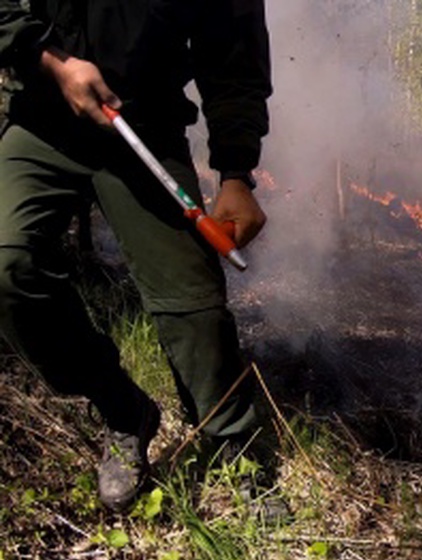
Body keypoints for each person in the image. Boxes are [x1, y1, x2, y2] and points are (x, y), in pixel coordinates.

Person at [0, 1, 272, 512]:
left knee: (192, 300)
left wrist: (236, 172)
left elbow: (233, 51)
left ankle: (236, 448)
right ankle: (124, 411)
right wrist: (50, 59)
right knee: (6, 265)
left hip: (143, 125)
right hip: (41, 119)